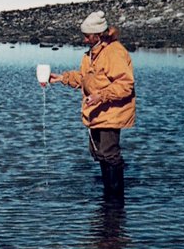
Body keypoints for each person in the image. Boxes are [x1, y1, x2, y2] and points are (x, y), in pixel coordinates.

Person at [49, 10, 135, 199]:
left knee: (110, 155)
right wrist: (62, 78)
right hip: (97, 111)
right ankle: (110, 201)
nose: (84, 39)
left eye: (87, 36)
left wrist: (100, 96)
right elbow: (85, 78)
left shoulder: (114, 53)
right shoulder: (92, 54)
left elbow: (125, 85)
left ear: (99, 34)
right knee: (101, 154)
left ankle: (115, 201)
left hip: (111, 112)